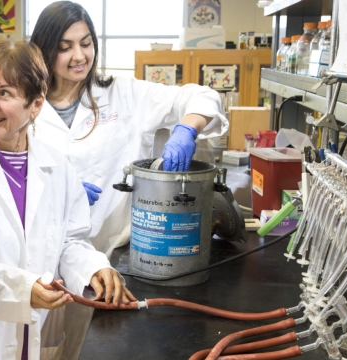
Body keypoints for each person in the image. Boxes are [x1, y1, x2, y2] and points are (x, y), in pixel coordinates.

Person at [0, 39, 135, 360]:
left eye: (4, 93)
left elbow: (70, 242)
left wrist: (93, 268)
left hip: (35, 335)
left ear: (36, 104)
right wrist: (19, 291)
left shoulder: (58, 167)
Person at [29, 2, 228, 358]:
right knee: (41, 348)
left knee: (96, 349)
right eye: (65, 47)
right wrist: (56, 195)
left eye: (86, 43)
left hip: (112, 256)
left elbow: (202, 96)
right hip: (42, 257)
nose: (79, 55)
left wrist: (187, 127)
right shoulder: (29, 107)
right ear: (44, 50)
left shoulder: (123, 94)